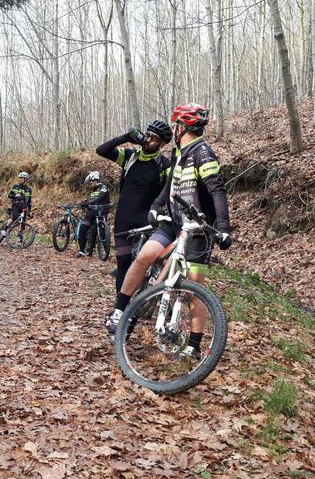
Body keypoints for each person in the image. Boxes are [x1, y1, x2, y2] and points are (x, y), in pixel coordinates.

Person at [106, 103, 232, 359]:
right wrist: (155, 206)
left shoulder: (203, 153)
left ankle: (194, 345)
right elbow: (170, 184)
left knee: (194, 287)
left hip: (197, 228)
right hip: (173, 222)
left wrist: (223, 228)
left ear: (181, 127)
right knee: (144, 256)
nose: (174, 130)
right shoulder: (178, 152)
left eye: (176, 126)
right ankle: (119, 310)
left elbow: (217, 190)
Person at [96, 120, 172, 292]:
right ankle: (122, 305)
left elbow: (171, 188)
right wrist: (125, 137)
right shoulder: (130, 157)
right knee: (123, 264)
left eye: (154, 138)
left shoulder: (164, 165)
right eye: (147, 135)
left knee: (145, 264)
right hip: (123, 219)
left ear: (162, 144)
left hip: (146, 221)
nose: (148, 139)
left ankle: (147, 299)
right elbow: (101, 150)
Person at [75, 171, 111, 257]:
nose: (89, 185)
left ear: (95, 180)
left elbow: (98, 199)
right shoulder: (93, 191)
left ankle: (106, 252)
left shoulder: (103, 188)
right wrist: (84, 203)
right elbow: (91, 201)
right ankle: (82, 251)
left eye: (90, 183)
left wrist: (88, 203)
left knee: (102, 232)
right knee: (83, 228)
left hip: (101, 212)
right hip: (92, 213)